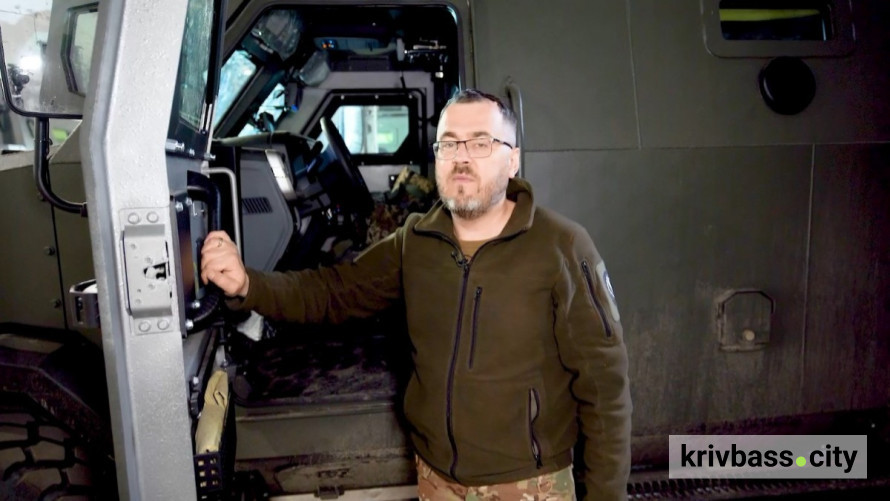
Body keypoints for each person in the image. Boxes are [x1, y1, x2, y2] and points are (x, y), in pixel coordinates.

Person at [201, 89, 632, 500]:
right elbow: (333, 292)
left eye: (480, 143)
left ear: (512, 159)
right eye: (449, 144)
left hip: (528, 485)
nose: (461, 158)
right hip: (435, 478)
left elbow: (605, 389)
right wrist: (249, 285)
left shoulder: (561, 247)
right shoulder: (416, 241)